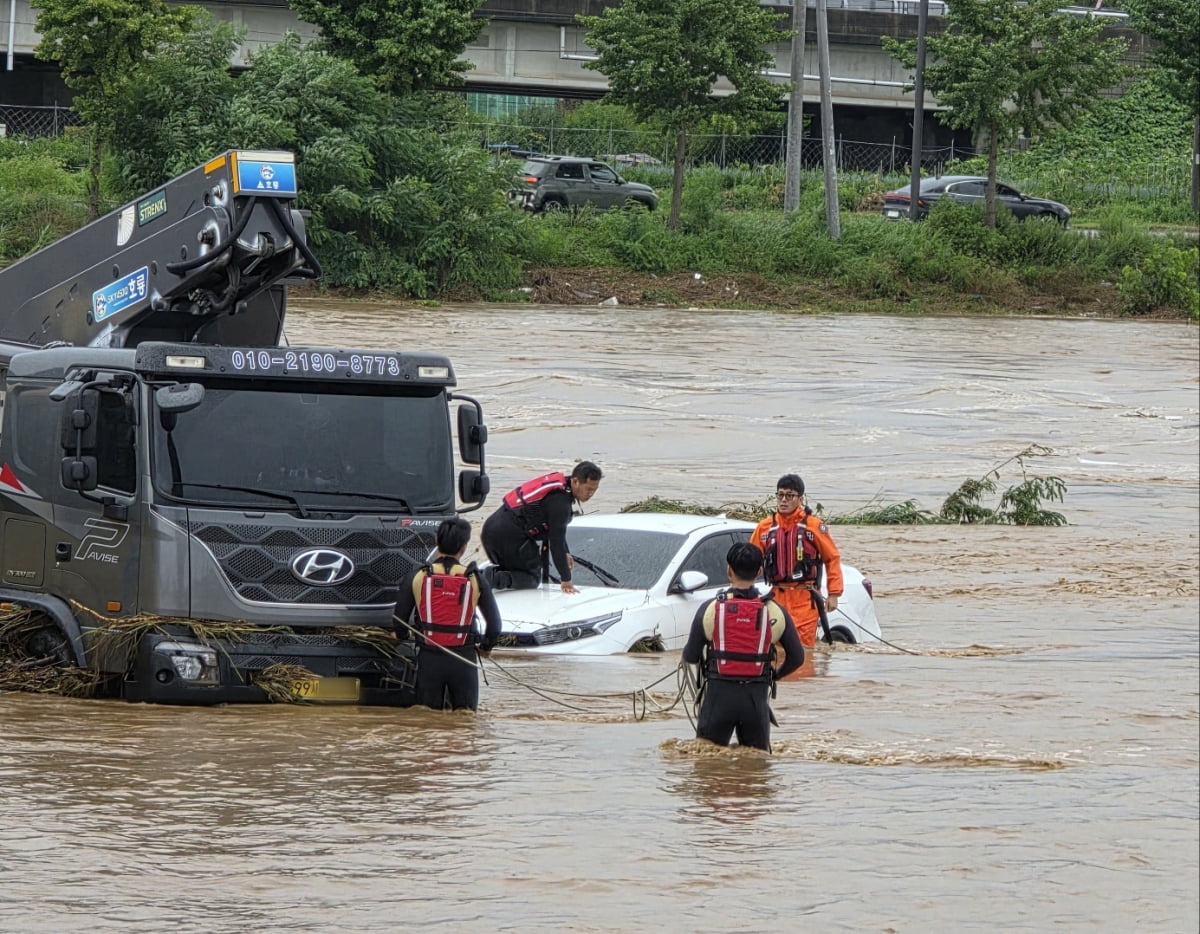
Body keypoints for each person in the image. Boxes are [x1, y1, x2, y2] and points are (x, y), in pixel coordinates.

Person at [681, 542, 804, 751]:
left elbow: (691, 656)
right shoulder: (775, 612)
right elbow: (797, 657)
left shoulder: (710, 609)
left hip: (718, 700)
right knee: (756, 771)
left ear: (728, 570)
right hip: (756, 701)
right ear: (759, 572)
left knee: (707, 769)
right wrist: (774, 675)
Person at [394, 517, 502, 712]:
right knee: (465, 718)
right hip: (463, 660)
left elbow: (399, 619)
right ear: (464, 546)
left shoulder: (418, 575)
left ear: (437, 540)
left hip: (429, 659)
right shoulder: (475, 578)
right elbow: (495, 626)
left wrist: (403, 637)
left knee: (427, 718)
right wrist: (486, 646)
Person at [750, 473, 844, 656]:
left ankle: (802, 684)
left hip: (805, 599)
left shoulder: (813, 526)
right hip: (776, 597)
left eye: (789, 496)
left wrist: (834, 594)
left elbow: (832, 558)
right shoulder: (764, 527)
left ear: (800, 498)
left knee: (802, 651)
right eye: (780, 495)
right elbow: (750, 561)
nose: (783, 500)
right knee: (774, 650)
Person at [480, 461, 603, 593]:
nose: (591, 494)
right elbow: (556, 541)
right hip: (507, 535)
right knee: (532, 578)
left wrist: (565, 551)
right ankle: (489, 578)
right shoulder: (560, 502)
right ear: (576, 481)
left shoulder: (560, 490)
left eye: (594, 490)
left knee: (519, 571)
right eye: (588, 489)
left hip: (492, 530)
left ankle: (479, 576)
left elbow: (555, 530)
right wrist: (566, 580)